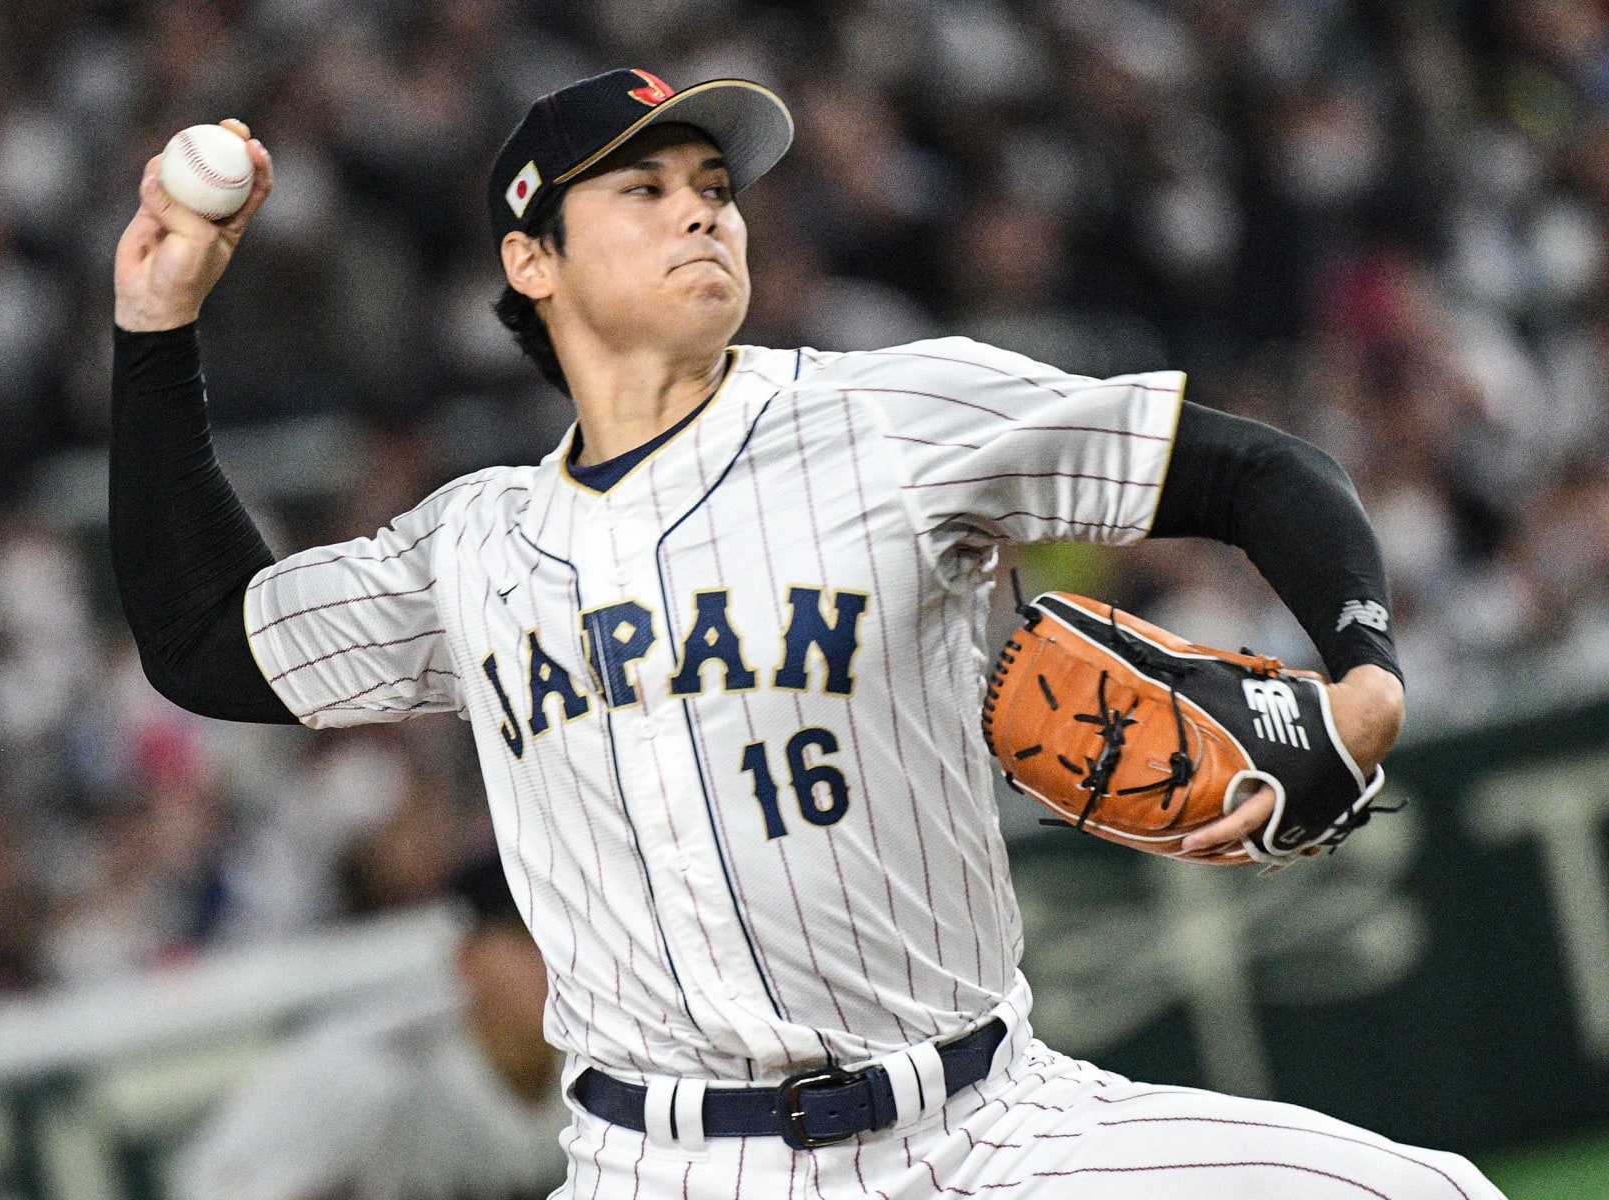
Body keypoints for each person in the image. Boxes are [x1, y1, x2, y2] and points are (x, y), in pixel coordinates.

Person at [111, 71, 1501, 1198]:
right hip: (661, 1166)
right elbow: (205, 643)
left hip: (991, 1130)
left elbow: (1261, 472)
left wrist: (1365, 675)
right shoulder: (469, 549)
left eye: (716, 187)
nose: (703, 212)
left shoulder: (888, 419)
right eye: (644, 188)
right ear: (529, 258)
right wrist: (156, 325)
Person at [174, 855, 567, 1200]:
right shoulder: (371, 1069)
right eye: (526, 941)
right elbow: (217, 1184)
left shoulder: (610, 1059)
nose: (554, 961)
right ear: (468, 957)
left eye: (566, 938)